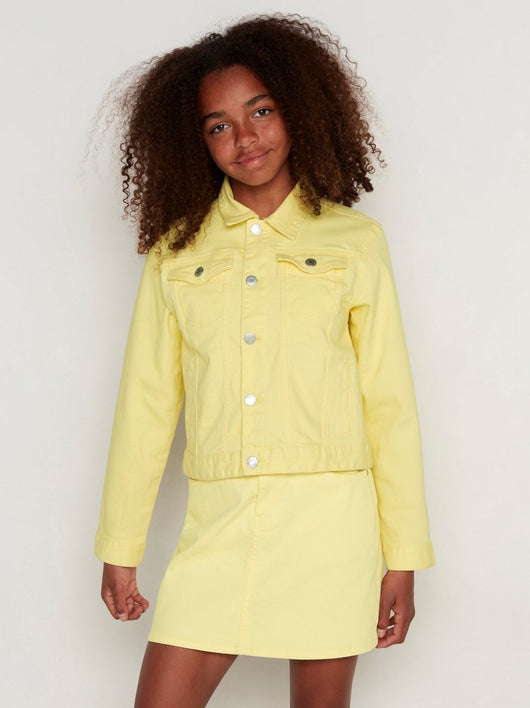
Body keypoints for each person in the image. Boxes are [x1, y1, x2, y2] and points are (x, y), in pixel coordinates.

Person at [94, 13, 435, 708]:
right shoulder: (176, 254)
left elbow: (390, 405)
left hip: (329, 524)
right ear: (195, 141)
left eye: (261, 111)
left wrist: (403, 558)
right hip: (218, 522)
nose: (244, 138)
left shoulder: (354, 242)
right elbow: (146, 404)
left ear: (298, 110)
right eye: (218, 124)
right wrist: (120, 546)